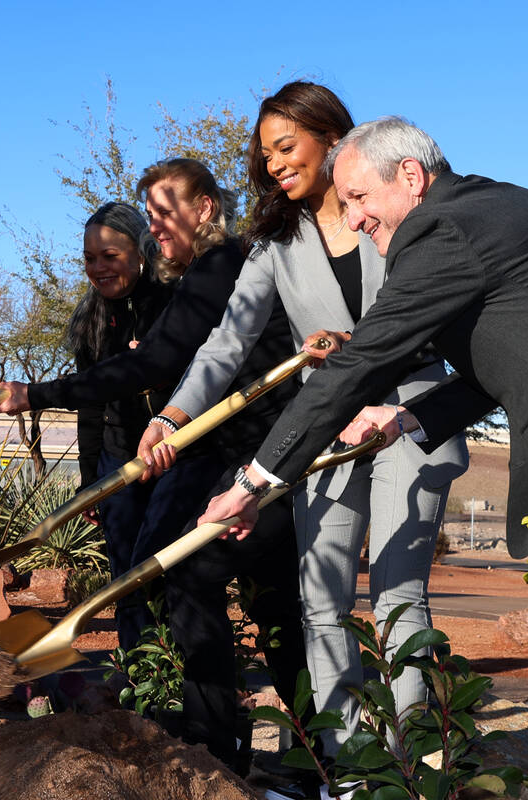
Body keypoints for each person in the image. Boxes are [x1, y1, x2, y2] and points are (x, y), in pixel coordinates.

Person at [196, 116, 528, 799]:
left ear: (410, 176)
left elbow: (364, 359)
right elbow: (520, 354)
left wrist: (256, 479)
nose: (357, 217)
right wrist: (410, 416)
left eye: (362, 198)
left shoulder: (440, 229)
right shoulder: (492, 211)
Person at [138, 82, 468, 757]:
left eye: (287, 146)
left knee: (398, 593)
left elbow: (442, 316)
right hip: (326, 428)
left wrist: (378, 361)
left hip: (408, 415)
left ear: (332, 137)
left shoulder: (396, 213)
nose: (276, 164)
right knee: (320, 595)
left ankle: (406, 763)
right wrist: (172, 417)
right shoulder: (275, 243)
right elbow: (227, 341)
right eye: (266, 155)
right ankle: (347, 763)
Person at [0, 162, 301, 669]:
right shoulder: (100, 315)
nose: (155, 226)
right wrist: (93, 477)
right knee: (164, 578)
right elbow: (108, 392)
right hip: (161, 455)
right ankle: (158, 697)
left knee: (196, 578)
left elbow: (157, 362)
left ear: (203, 209)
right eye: (89, 257)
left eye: (162, 213)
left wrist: (34, 395)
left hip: (234, 454)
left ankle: (208, 725)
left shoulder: (211, 272)